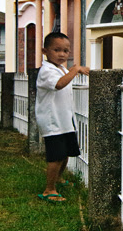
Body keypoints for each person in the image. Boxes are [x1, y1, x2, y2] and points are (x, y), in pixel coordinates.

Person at [36, 31, 90, 203]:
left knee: (65, 153)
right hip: (53, 121)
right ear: (45, 51)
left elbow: (64, 80)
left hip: (65, 120)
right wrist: (75, 70)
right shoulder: (46, 71)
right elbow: (59, 84)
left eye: (66, 51)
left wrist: (72, 71)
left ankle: (58, 179)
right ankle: (49, 189)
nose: (62, 54)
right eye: (56, 50)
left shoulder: (61, 69)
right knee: (56, 156)